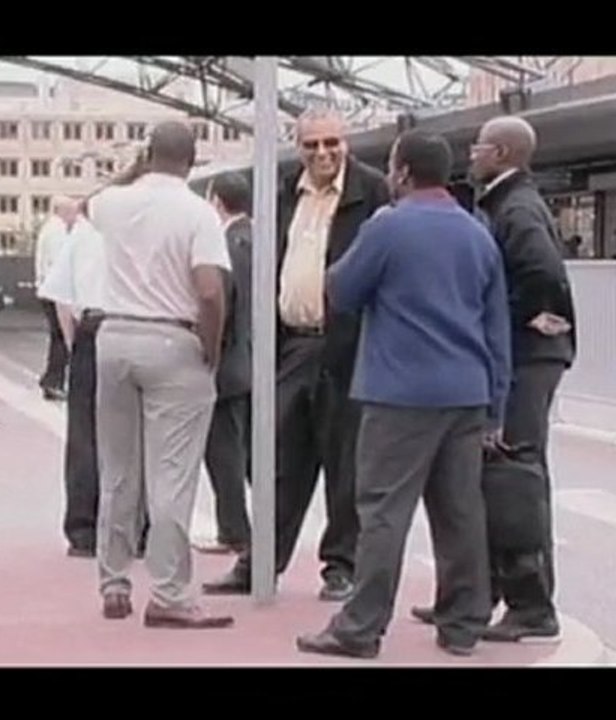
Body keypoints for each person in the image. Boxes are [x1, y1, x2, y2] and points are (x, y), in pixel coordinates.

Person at [296, 130, 512, 659]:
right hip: (466, 393)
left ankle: (360, 627)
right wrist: (496, 407)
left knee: (383, 511)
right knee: (460, 510)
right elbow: (497, 326)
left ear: (402, 172)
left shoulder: (388, 226)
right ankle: (462, 624)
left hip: (400, 394)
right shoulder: (477, 232)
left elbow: (342, 291)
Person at [203, 107, 390, 602]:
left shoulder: (372, 192)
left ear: (345, 142)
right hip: (293, 344)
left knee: (345, 461)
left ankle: (341, 566)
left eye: (332, 143)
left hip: (349, 346)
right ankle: (261, 560)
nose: (323, 153)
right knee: (279, 459)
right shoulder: (284, 192)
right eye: (312, 145)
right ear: (298, 145)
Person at [412, 115, 576, 642]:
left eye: (478, 147)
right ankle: (478, 596)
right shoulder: (502, 204)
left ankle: (531, 605)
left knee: (514, 475)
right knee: (490, 475)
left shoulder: (517, 207)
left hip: (527, 359)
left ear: (502, 153)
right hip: (522, 356)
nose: (471, 155)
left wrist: (509, 329)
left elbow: (543, 276)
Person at [85, 122, 234, 628]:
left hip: (113, 337)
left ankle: (113, 582)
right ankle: (169, 593)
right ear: (193, 160)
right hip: (172, 339)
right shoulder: (198, 213)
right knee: (171, 477)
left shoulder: (113, 203)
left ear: (148, 154)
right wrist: (209, 346)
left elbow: (92, 200)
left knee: (118, 470)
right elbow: (210, 291)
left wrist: (136, 163)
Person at [37, 212, 107, 557]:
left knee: (85, 431)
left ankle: (84, 529)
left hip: (94, 327)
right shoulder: (168, 219)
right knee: (144, 434)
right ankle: (141, 528)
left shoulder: (85, 232)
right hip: (147, 327)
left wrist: (73, 344)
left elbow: (62, 299)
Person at [194, 171, 253, 556]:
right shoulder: (257, 239)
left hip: (227, 366)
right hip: (249, 362)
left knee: (223, 454)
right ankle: (242, 529)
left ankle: (234, 531)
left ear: (216, 202)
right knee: (243, 451)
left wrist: (209, 353)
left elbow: (222, 306)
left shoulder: (227, 246)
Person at [34, 197, 76, 401]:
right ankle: (53, 381)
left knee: (57, 338)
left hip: (47, 289)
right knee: (61, 338)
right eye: (72, 212)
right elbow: (61, 263)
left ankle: (51, 379)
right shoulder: (58, 231)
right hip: (55, 292)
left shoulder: (50, 228)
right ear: (62, 211)